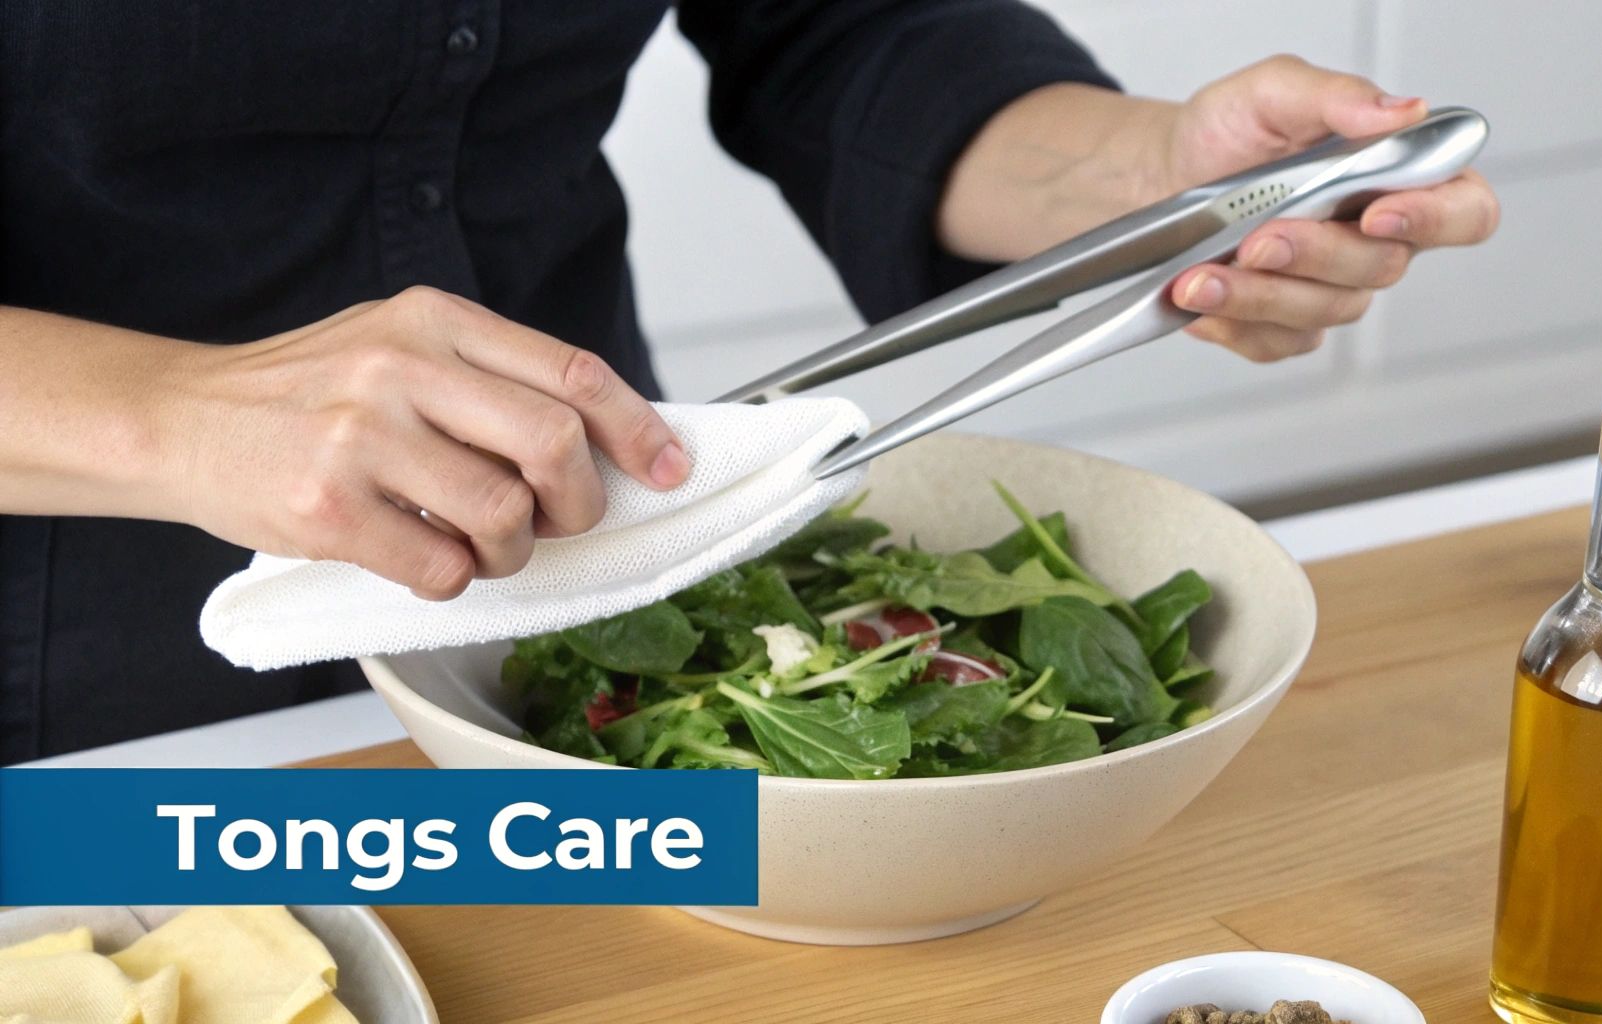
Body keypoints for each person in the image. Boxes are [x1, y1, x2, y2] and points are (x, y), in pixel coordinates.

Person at [0, 1, 1498, 762]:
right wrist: (168, 413)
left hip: (586, 591)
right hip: (76, 703)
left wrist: (1145, 182)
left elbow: (839, 29)